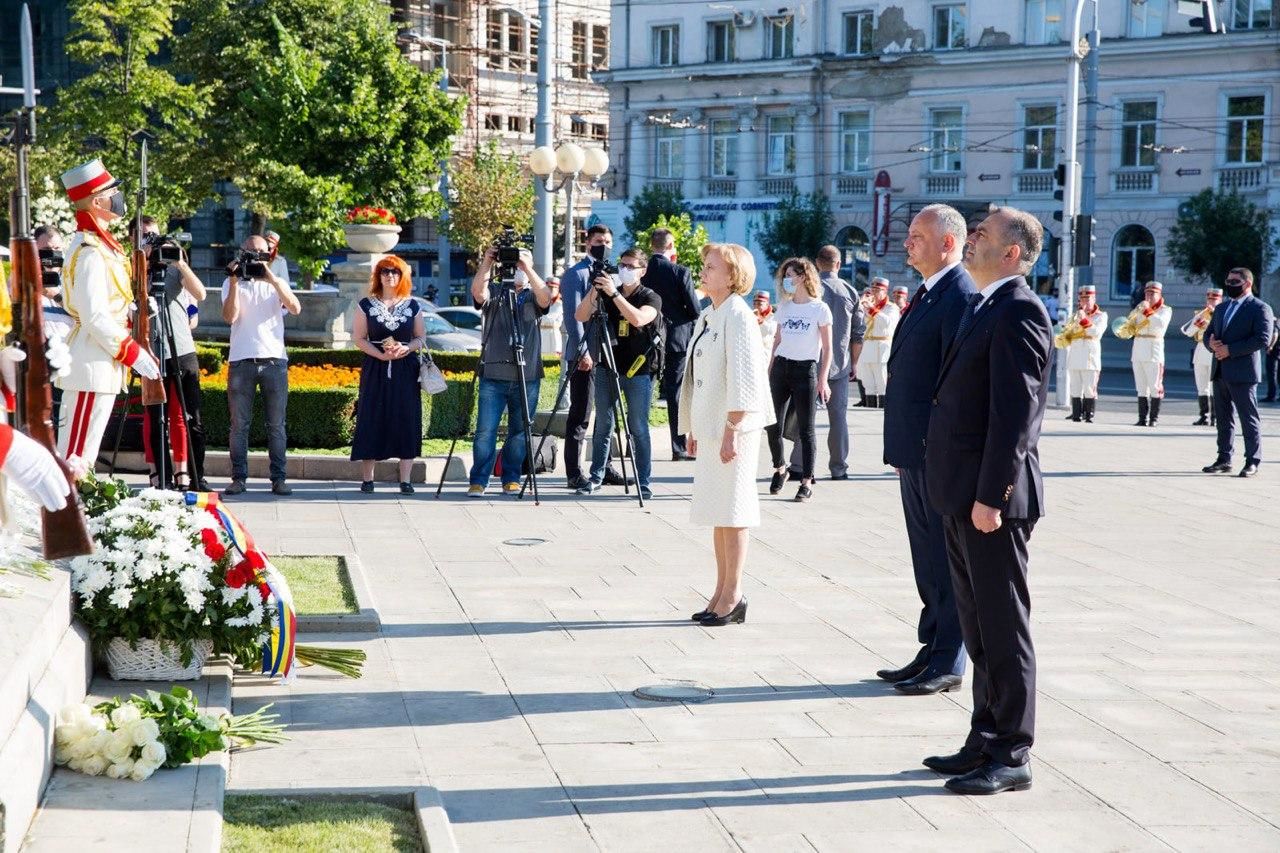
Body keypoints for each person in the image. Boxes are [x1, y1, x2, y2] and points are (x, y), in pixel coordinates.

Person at [923, 206, 1052, 796]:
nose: (971, 239)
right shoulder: (985, 304)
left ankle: (1013, 751)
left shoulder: (1020, 309)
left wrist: (992, 496)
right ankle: (984, 737)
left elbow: (1015, 418)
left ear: (1013, 253)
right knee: (977, 628)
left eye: (982, 234)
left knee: (1003, 627)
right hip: (962, 494)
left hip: (990, 501)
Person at [880, 203, 975, 696]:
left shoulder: (959, 294)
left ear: (948, 242)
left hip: (934, 453)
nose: (908, 241)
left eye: (918, 234)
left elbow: (952, 384)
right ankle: (931, 646)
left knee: (944, 557)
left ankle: (949, 659)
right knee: (926, 558)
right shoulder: (927, 293)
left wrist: (932, 449)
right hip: (913, 451)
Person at [680, 243, 773, 626]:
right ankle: (720, 591)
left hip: (734, 429)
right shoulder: (709, 314)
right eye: (704, 265)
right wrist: (693, 427)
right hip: (713, 427)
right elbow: (696, 377)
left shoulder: (738, 315)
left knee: (734, 512)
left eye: (711, 267)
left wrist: (732, 430)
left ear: (733, 275)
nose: (703, 272)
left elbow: (745, 379)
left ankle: (733, 596)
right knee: (719, 512)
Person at [55, 159, 161, 467]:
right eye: (111, 190)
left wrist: (132, 311)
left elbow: (106, 304)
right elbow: (94, 316)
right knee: (74, 460)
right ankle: (63, 516)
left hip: (100, 366)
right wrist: (133, 353)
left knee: (83, 461)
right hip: (90, 364)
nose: (117, 195)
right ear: (97, 200)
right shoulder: (90, 251)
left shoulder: (102, 247)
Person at [130, 216, 209, 491]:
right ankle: (161, 477)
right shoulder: (131, 270)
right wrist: (143, 263)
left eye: (154, 236)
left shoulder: (175, 269)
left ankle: (193, 476)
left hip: (182, 350)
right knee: (155, 416)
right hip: (150, 350)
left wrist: (180, 262)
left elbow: (199, 294)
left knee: (189, 416)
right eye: (145, 237)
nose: (152, 241)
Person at [575, 248, 662, 499]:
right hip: (607, 366)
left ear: (642, 271)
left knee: (638, 426)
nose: (624, 270)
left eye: (631, 267)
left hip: (638, 370)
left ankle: (643, 481)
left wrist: (614, 294)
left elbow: (638, 319)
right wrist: (597, 288)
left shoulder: (651, 296)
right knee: (603, 424)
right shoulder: (608, 293)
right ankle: (596, 477)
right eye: (622, 265)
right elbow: (580, 315)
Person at [221, 234, 302, 496]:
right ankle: (238, 478)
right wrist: (234, 281)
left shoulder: (276, 282)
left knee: (276, 425)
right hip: (241, 360)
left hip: (274, 360)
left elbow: (295, 307)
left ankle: (279, 479)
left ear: (269, 253)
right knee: (239, 424)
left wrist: (272, 279)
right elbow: (230, 317)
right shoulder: (230, 282)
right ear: (241, 252)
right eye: (251, 252)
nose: (256, 257)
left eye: (262, 252)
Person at [467, 246, 552, 496]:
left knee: (520, 430)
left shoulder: (532, 293)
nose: (516, 268)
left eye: (521, 262)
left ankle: (511, 476)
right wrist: (486, 263)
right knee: (485, 431)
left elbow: (546, 298)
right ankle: (479, 480)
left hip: (528, 376)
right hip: (493, 374)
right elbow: (477, 294)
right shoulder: (494, 290)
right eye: (514, 264)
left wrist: (528, 268)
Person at [351, 255, 426, 495]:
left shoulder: (413, 305)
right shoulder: (366, 304)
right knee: (371, 416)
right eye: (385, 271)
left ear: (402, 276)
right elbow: (359, 338)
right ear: (378, 275)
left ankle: (405, 479)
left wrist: (406, 348)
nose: (390, 275)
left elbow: (420, 337)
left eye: (395, 272)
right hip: (376, 367)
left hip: (406, 368)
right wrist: (380, 355)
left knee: (406, 418)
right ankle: (367, 479)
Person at [787, 245, 861, 481]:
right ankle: (839, 468)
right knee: (838, 418)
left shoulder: (806, 289)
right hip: (839, 365)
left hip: (808, 363)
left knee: (805, 416)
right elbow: (858, 335)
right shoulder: (850, 291)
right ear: (838, 264)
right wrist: (854, 364)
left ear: (817, 264)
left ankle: (798, 466)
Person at [561, 225, 626, 489]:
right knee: (581, 414)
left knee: (606, 413)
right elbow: (572, 317)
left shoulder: (612, 274)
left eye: (608, 241)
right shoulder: (576, 274)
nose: (604, 245)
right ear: (588, 243)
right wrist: (582, 351)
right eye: (599, 240)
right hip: (585, 354)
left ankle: (604, 465)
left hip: (608, 350)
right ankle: (573, 472)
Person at [765, 258, 832, 503]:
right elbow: (777, 341)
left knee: (806, 428)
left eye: (790, 275)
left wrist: (823, 380)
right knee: (773, 424)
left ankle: (806, 480)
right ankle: (780, 467)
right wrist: (769, 368)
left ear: (803, 276)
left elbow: (827, 347)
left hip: (806, 370)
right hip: (781, 367)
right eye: (785, 275)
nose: (787, 280)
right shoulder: (784, 307)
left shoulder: (819, 309)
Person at [1201, 267, 1274, 479]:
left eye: (1235, 282)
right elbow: (1208, 334)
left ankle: (1252, 460)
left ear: (1247, 284)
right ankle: (1224, 458)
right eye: (1229, 281)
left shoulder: (1260, 308)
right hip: (1220, 371)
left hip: (1243, 373)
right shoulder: (1222, 308)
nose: (1230, 285)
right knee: (1223, 419)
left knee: (1248, 418)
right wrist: (1211, 344)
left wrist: (1230, 350)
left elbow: (1262, 339)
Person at [639, 228, 702, 461]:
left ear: (651, 245)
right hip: (676, 339)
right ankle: (678, 447)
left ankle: (634, 445)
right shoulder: (680, 272)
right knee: (675, 393)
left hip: (645, 338)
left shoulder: (642, 272)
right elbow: (695, 309)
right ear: (671, 245)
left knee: (644, 390)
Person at [34, 226, 72, 435]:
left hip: (67, 358)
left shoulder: (71, 279)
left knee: (63, 420)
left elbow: (83, 312)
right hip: (36, 360)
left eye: (57, 249)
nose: (51, 255)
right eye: (46, 250)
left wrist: (56, 295)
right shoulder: (23, 277)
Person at [1125, 281, 1172, 427]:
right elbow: (1129, 326)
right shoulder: (1140, 309)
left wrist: (1146, 311)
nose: (1149, 296)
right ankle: (1142, 418)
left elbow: (1159, 323)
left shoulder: (1165, 310)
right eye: (1147, 293)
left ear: (1159, 295)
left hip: (1154, 351)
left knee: (1154, 386)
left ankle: (1154, 418)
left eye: (1153, 294)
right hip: (1138, 349)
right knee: (1141, 386)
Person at [1061, 284, 1107, 424]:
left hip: (1089, 357)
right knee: (1075, 387)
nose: (1084, 302)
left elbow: (1096, 332)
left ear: (1094, 299)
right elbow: (1067, 333)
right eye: (1082, 299)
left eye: (1088, 299)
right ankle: (1076, 414)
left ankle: (1089, 415)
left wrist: (1083, 320)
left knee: (1089, 387)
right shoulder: (1075, 316)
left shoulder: (1101, 316)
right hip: (1075, 355)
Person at [859, 277, 902, 408]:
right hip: (868, 347)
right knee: (868, 382)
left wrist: (872, 309)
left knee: (882, 381)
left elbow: (887, 323)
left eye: (877, 290)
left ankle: (884, 409)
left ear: (885, 291)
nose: (874, 293)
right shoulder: (869, 306)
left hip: (882, 347)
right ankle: (870, 408)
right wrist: (862, 308)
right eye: (872, 290)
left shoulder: (891, 308)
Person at [1182, 287, 1223, 426]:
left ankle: (1215, 417)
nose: (1211, 302)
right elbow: (1187, 332)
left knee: (1213, 386)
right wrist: (1197, 324)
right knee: (1201, 385)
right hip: (1200, 350)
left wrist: (1211, 319)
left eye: (1214, 299)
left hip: (1213, 351)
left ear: (1220, 300)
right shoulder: (1201, 313)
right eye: (1209, 299)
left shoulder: (1222, 314)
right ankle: (1204, 416)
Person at [539, 275, 564, 358]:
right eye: (549, 287)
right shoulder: (540, 302)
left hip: (553, 335)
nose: (552, 290)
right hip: (541, 333)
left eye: (554, 288)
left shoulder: (560, 304)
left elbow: (549, 319)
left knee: (553, 362)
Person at [1261, 313, 1280, 404]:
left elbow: (1275, 335)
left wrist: (1270, 347)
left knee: (1272, 374)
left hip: (1273, 352)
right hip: (1278, 352)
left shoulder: (1274, 323)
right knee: (1277, 374)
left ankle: (1271, 396)